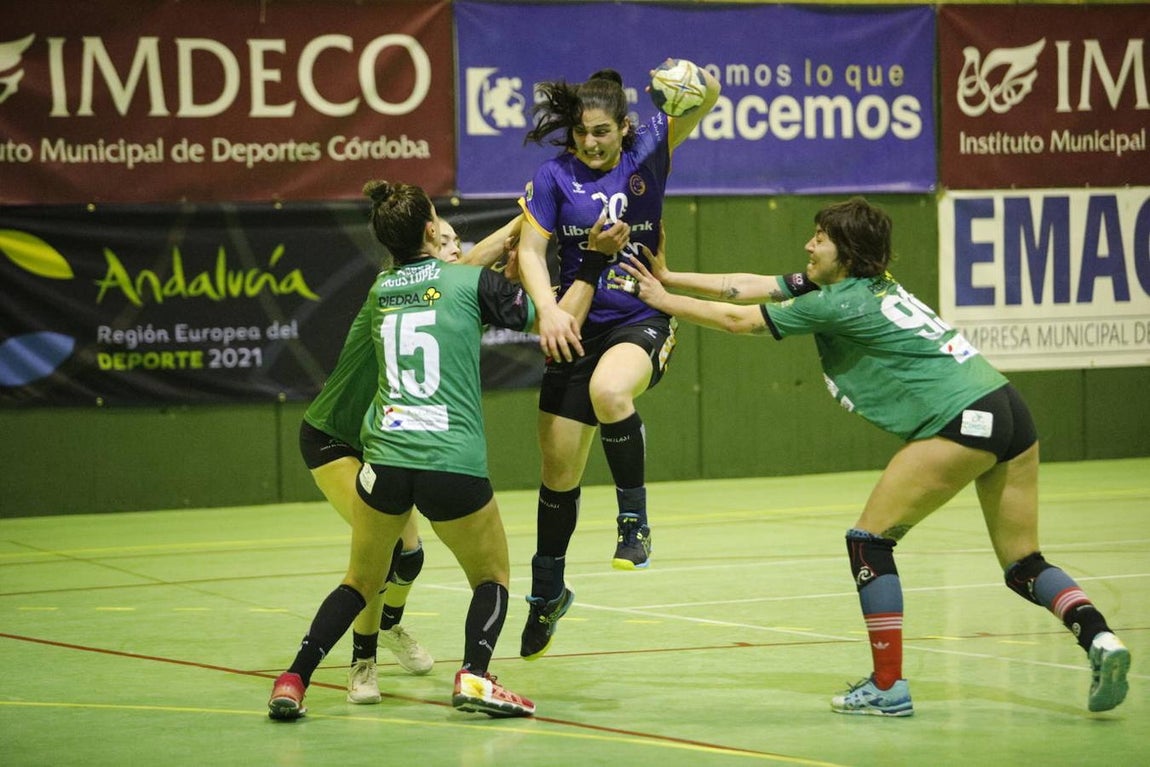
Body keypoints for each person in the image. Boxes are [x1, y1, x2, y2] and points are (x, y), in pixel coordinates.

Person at [617, 196, 1131, 716]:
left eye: (819, 239)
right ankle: (1100, 637)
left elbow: (737, 318)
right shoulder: (863, 284)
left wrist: (662, 301)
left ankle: (888, 687)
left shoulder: (835, 302)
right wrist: (671, 277)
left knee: (869, 544)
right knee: (1024, 564)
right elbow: (751, 284)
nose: (808, 246)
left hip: (961, 416)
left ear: (845, 252)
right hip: (1007, 406)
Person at [270, 182, 541, 719]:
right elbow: (477, 279)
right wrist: (539, 221)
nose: (456, 247)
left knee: (378, 569)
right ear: (430, 235)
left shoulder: (385, 289)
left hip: (387, 449)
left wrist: (521, 221)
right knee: (472, 572)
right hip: (341, 436)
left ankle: (294, 677)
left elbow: (456, 269)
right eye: (446, 236)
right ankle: (376, 662)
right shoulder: (453, 284)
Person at [512, 61, 721, 661]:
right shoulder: (555, 176)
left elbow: (709, 96)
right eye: (582, 132)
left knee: (610, 392)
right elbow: (531, 251)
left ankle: (635, 523)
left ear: (624, 127)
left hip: (640, 318)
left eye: (602, 131)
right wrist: (549, 311)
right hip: (578, 325)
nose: (590, 142)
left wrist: (690, 75)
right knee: (557, 478)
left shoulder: (650, 149)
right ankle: (547, 593)